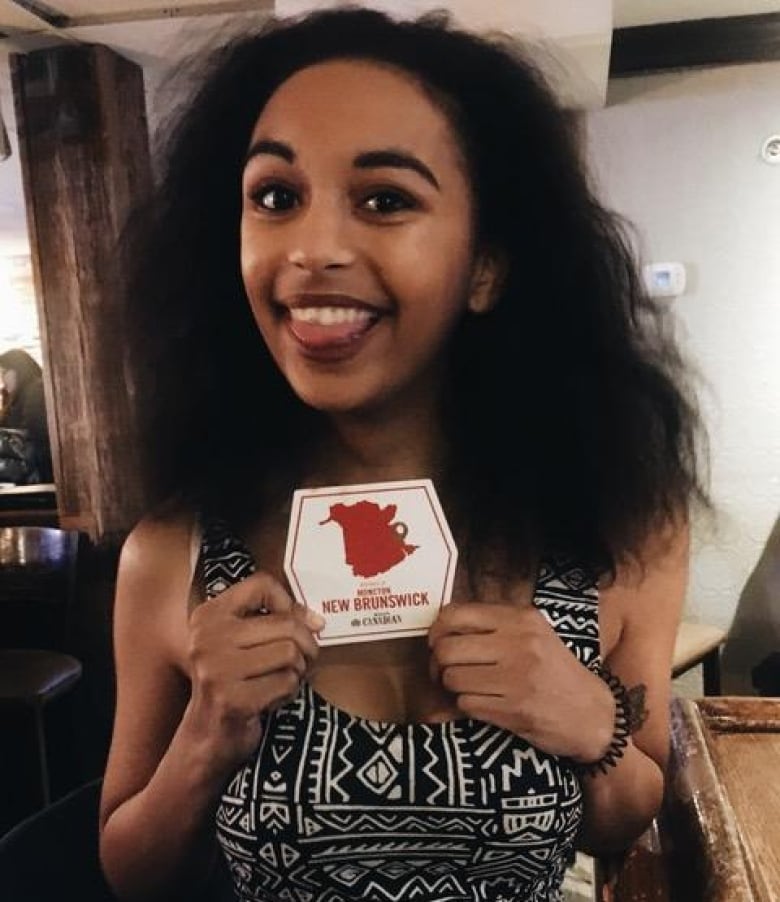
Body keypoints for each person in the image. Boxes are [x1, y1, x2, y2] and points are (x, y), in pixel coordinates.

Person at [98, 8, 708, 902]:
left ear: (487, 264)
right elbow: (128, 873)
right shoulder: (174, 554)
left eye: (385, 199)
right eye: (275, 196)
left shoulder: (618, 526)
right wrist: (204, 736)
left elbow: (623, 817)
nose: (313, 249)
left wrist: (589, 726)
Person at [0, 347, 53, 483]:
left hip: (38, 471)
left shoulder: (35, 392)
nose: (2, 380)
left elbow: (33, 432)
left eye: (4, 373)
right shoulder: (17, 397)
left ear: (18, 370)